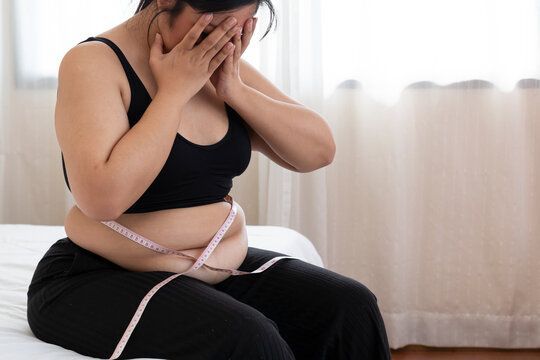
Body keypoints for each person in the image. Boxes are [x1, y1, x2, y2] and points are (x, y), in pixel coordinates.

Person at [26, 0, 392, 359]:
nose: (226, 41)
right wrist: (173, 94)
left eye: (242, 27)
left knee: (351, 308)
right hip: (93, 277)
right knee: (249, 338)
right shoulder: (94, 63)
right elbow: (101, 199)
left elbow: (318, 151)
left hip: (209, 266)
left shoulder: (219, 64)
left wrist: (235, 89)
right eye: (217, 26)